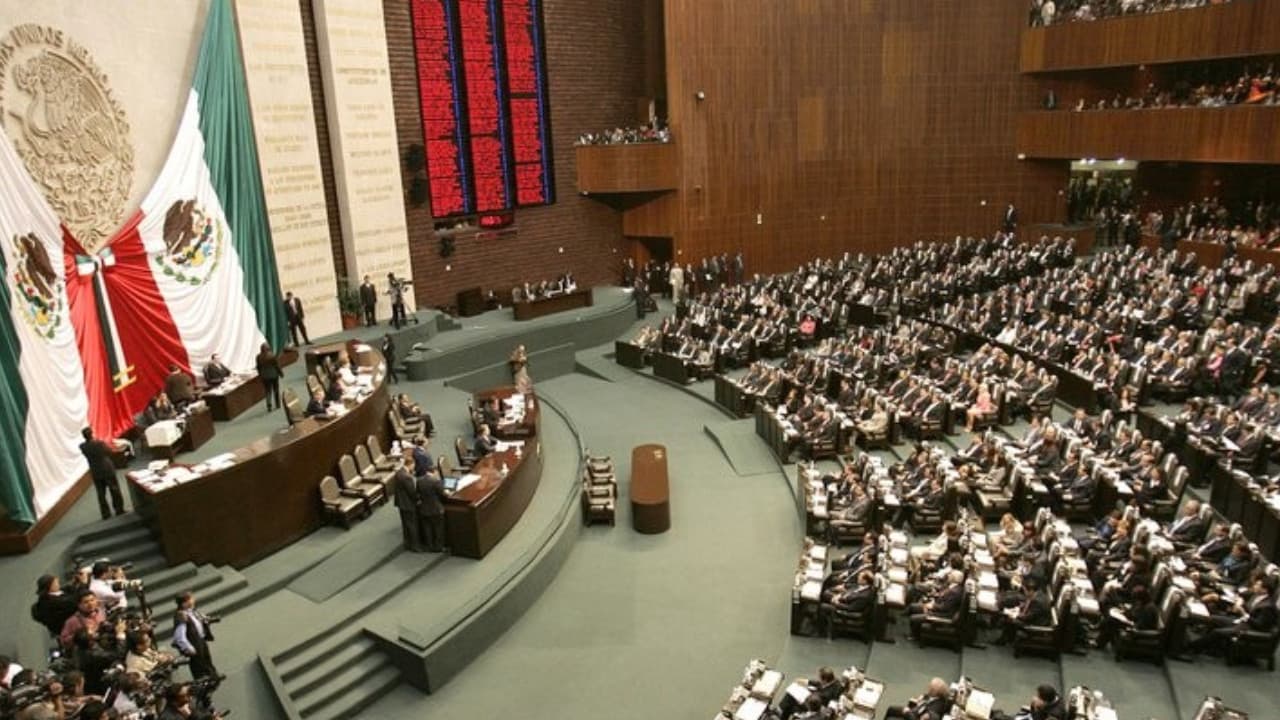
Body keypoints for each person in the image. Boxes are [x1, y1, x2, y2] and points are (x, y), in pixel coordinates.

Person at [79, 428, 125, 519]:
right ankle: (119, 509)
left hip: (95, 471)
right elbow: (109, 452)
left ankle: (105, 514)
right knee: (114, 490)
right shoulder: (100, 443)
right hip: (107, 469)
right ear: (92, 434)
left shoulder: (82, 446)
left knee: (101, 494)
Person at [172, 591, 218, 681]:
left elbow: (199, 620)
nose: (193, 600)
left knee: (206, 659)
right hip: (193, 643)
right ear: (184, 603)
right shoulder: (181, 616)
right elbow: (179, 636)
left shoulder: (192, 610)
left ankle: (212, 676)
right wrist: (188, 648)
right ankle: (202, 681)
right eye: (190, 599)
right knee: (198, 664)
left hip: (200, 639)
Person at [776, 666, 843, 720]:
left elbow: (820, 704)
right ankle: (780, 711)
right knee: (789, 699)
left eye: (819, 677)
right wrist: (807, 681)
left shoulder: (827, 694)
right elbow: (819, 684)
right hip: (814, 700)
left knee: (790, 699)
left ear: (825, 680)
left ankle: (779, 711)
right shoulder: (833, 681)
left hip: (815, 706)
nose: (818, 678)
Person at [392, 446, 425, 553]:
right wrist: (418, 499)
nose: (414, 469)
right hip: (408, 504)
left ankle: (407, 543)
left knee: (406, 524)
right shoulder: (407, 477)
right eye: (413, 466)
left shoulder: (399, 472)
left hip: (401, 503)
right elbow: (412, 493)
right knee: (412, 525)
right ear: (410, 464)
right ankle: (415, 546)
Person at [31, 574, 76, 638]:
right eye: (56, 583)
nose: (59, 584)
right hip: (64, 626)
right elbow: (73, 602)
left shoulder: (46, 596)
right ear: (51, 586)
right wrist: (83, 584)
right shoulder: (52, 601)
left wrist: (73, 585)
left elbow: (65, 590)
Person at [884, 677, 951, 720]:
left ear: (935, 691)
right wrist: (922, 698)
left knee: (892, 711)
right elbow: (927, 697)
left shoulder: (935, 709)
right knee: (891, 709)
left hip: (912, 716)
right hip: (914, 711)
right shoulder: (934, 696)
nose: (928, 689)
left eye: (931, 688)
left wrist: (907, 712)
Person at [416, 463, 448, 552]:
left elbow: (418, 493)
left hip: (424, 509)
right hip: (436, 509)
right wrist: (447, 492)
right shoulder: (436, 481)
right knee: (438, 529)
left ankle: (429, 546)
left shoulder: (419, 480)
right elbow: (443, 494)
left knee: (427, 529)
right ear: (434, 471)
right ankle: (438, 547)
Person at [255, 342, 282, 412]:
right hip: (273, 375)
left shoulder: (258, 357)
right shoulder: (272, 356)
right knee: (276, 390)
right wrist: (281, 373)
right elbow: (277, 366)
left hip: (264, 376)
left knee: (267, 391)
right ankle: (277, 404)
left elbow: (258, 367)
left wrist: (260, 374)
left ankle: (269, 405)